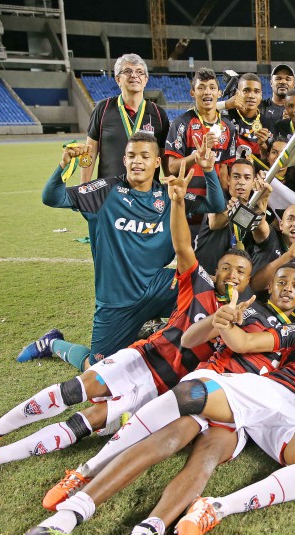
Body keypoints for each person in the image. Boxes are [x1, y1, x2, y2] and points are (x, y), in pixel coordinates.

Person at [20, 285, 295, 535]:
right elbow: (242, 342)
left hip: (293, 413)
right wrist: (224, 322)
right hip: (265, 390)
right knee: (190, 395)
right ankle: (70, 513)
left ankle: (199, 513)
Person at [0, 156, 249, 491]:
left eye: (240, 273)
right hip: (142, 357)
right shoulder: (198, 280)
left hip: (161, 390)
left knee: (86, 422)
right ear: (216, 271)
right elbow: (181, 245)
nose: (231, 276)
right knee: (76, 388)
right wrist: (176, 203)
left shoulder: (247, 319)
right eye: (227, 268)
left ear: (248, 281)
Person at [18, 133, 225, 370]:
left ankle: (163, 335)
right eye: (131, 156)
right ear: (124, 161)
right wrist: (64, 165)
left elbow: (215, 205)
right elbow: (52, 197)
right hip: (117, 299)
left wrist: (208, 170)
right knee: (97, 368)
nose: (137, 161)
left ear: (157, 162)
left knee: (207, 293)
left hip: (158, 285)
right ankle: (53, 343)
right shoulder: (104, 191)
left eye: (145, 156)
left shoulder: (168, 193)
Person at [82, 53, 170, 181]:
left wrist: (171, 184)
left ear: (146, 80)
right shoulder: (103, 108)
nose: (134, 75)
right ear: (118, 79)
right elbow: (90, 152)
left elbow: (164, 156)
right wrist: (83, 188)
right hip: (109, 193)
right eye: (128, 71)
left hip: (146, 195)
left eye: (139, 72)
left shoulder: (159, 114)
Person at [165, 68, 237, 216]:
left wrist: (225, 199)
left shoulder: (228, 127)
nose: (207, 92)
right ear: (192, 92)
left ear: (219, 93)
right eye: (201, 88)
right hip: (187, 200)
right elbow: (172, 167)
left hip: (216, 203)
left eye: (212, 87)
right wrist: (197, 155)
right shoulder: (181, 123)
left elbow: (224, 170)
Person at [226, 73, 274, 157]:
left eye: (256, 91)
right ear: (237, 93)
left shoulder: (267, 123)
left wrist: (262, 145)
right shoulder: (227, 114)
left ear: (261, 96)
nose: (252, 96)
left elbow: (268, 161)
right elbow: (201, 111)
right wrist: (224, 104)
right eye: (246, 90)